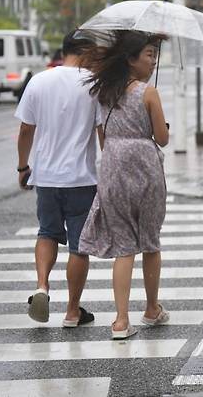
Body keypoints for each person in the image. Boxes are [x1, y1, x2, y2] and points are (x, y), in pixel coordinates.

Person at [78, 30, 170, 340]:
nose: (153, 61)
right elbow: (163, 138)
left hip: (113, 166)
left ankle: (120, 320)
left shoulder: (104, 92)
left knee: (124, 246)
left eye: (154, 55)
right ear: (132, 59)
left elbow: (103, 137)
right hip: (145, 166)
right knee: (150, 240)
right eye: (148, 55)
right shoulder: (148, 93)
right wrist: (161, 125)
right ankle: (152, 308)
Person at [16, 31, 103, 326]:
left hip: (47, 178)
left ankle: (42, 285)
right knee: (79, 247)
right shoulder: (94, 85)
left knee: (47, 233)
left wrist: (22, 167)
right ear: (87, 52)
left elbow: (26, 130)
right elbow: (102, 133)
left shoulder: (39, 81)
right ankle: (72, 312)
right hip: (81, 178)